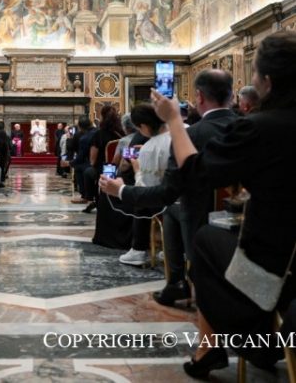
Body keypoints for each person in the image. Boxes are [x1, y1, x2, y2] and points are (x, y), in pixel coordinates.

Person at [150, 31, 296, 377]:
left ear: (268, 81)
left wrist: (174, 120)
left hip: (272, 273)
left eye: (254, 73)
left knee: (204, 239)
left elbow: (197, 173)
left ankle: (221, 344)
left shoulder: (260, 128)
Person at [100, 70, 237, 303]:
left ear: (199, 97)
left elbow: (166, 192)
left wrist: (121, 190)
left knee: (172, 208)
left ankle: (176, 280)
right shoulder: (249, 126)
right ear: (232, 96)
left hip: (201, 220)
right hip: (247, 222)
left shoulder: (187, 135)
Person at [117, 104, 171, 266]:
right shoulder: (184, 132)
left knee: (140, 201)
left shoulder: (147, 148)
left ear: (144, 127)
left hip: (166, 201)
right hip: (189, 197)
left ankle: (138, 249)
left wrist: (137, 169)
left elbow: (145, 188)